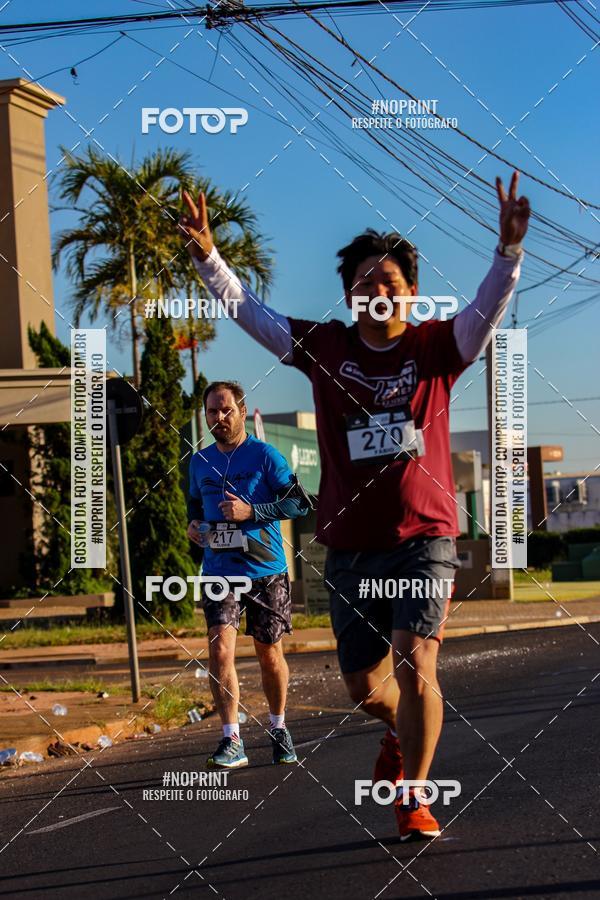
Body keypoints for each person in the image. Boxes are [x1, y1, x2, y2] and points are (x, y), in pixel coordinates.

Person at [179, 172, 530, 837]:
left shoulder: (435, 347)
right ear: (348, 295)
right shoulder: (326, 348)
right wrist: (206, 257)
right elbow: (250, 313)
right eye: (365, 280)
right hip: (350, 546)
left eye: (390, 280)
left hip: (424, 537)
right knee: (366, 688)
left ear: (411, 292)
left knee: (417, 661)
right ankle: (397, 732)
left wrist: (507, 252)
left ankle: (415, 795)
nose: (377, 289)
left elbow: (485, 312)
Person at [187, 380, 311, 769]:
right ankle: (231, 739)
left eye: (226, 410)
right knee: (219, 649)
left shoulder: (265, 455)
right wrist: (194, 525)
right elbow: (194, 503)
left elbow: (300, 504)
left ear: (242, 411)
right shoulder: (199, 461)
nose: (219, 418)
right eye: (212, 411)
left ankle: (279, 726)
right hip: (219, 570)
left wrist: (252, 512)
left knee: (268, 653)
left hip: (265, 569)